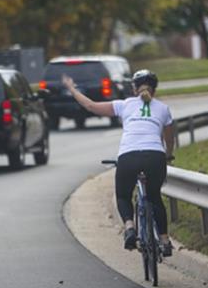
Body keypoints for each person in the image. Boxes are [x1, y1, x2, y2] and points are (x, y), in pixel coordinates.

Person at [61, 69, 176, 256]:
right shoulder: (163, 108)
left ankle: (130, 228)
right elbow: (169, 139)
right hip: (155, 157)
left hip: (128, 156)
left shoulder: (124, 105)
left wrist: (72, 89)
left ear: (134, 88)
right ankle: (164, 240)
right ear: (155, 89)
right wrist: (168, 155)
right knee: (155, 197)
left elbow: (90, 106)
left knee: (123, 196)